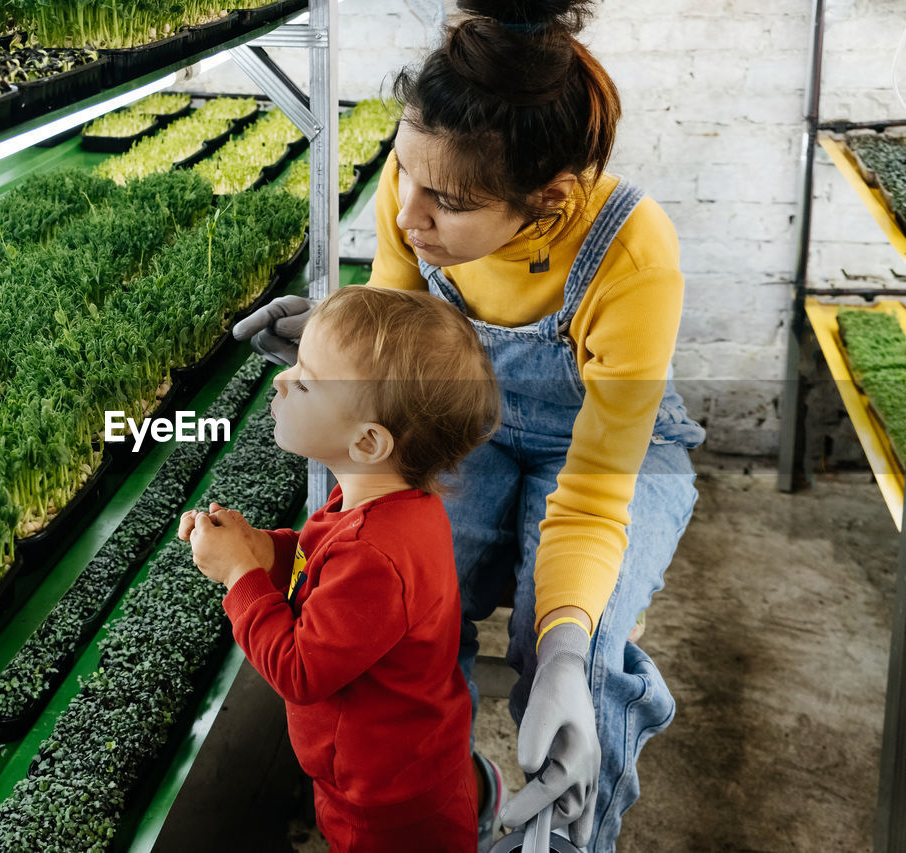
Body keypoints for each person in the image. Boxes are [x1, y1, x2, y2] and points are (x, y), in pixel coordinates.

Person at [233, 1, 706, 850]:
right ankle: (433, 795)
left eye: (447, 202)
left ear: (549, 199)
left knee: (577, 652)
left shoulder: (634, 255)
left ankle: (570, 830)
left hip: (600, 448)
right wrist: (337, 337)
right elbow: (397, 343)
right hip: (460, 422)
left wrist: (561, 650)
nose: (411, 217)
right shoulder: (413, 191)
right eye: (404, 175)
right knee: (392, 587)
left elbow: (596, 493)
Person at [178, 285, 500, 853]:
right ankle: (473, 795)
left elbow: (300, 671)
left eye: (304, 382)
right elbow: (316, 562)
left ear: (369, 441)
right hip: (388, 769)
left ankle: (470, 808)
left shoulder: (378, 555)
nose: (280, 380)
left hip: (383, 806)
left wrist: (239, 579)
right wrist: (260, 548)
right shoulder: (378, 504)